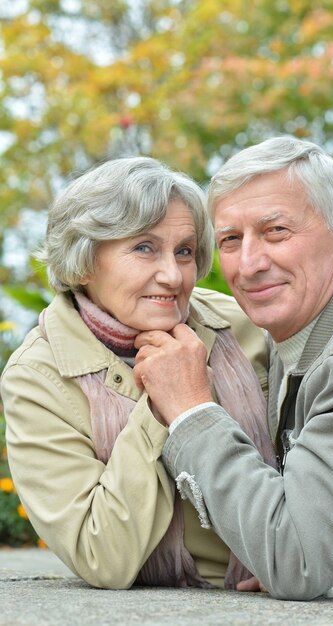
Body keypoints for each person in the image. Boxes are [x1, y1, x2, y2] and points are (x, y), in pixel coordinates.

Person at [133, 136, 333, 602]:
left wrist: (190, 410)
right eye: (230, 240)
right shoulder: (299, 324)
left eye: (276, 231)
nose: (249, 265)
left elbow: (297, 561)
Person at [0, 156, 275, 590]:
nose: (172, 275)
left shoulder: (242, 324)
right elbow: (101, 555)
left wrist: (296, 559)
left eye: (184, 251)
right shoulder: (36, 377)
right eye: (143, 248)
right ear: (85, 260)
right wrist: (168, 403)